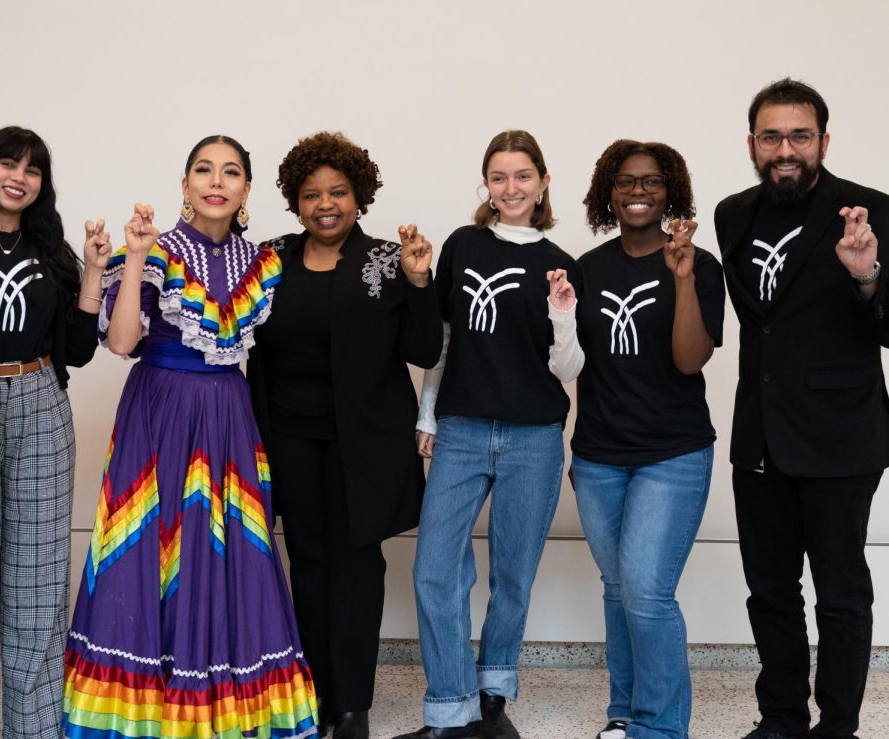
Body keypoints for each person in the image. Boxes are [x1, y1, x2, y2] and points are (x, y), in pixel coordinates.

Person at [62, 135, 318, 739]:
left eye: (231, 172)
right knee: (144, 545)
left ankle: (218, 705)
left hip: (229, 412)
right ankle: (142, 710)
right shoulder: (156, 251)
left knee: (228, 548)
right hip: (159, 411)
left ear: (247, 191)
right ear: (184, 184)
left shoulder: (263, 261)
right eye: (203, 169)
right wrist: (131, 257)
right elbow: (123, 344)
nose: (216, 181)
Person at [716, 78, 889, 739]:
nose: (785, 149)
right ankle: (780, 717)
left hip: (842, 436)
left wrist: (867, 275)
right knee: (769, 590)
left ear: (823, 141)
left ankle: (838, 725)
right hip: (761, 436)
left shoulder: (870, 210)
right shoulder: (731, 214)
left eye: (800, 135)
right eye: (771, 136)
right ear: (751, 144)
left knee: (840, 592)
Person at [248, 131, 443, 739]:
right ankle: (315, 696)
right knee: (306, 564)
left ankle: (353, 704)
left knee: (357, 567)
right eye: (310, 194)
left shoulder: (390, 260)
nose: (324, 204)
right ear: (294, 201)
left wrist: (419, 283)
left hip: (367, 445)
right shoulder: (271, 257)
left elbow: (423, 348)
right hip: (289, 438)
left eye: (337, 192)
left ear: (359, 197)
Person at [397, 130, 583, 739]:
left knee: (513, 572)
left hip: (535, 435)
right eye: (499, 177)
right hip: (463, 427)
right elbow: (444, 340)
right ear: (487, 185)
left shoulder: (561, 263)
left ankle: (494, 690)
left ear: (544, 182)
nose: (511, 188)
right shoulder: (463, 246)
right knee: (435, 567)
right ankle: (452, 706)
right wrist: (428, 414)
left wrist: (561, 312)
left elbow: (569, 368)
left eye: (523, 176)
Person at [0, 126, 106, 739]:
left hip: (40, 402)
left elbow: (80, 353)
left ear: (42, 185)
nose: (19, 177)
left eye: (33, 170)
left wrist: (90, 272)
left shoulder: (51, 253)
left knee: (38, 576)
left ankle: (34, 728)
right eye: (9, 163)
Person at [573, 140, 725, 739]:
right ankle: (626, 712)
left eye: (652, 183)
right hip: (598, 456)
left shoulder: (699, 264)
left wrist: (682, 279)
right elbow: (568, 358)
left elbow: (691, 361)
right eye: (626, 182)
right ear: (608, 192)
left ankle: (661, 729)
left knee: (646, 592)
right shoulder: (587, 268)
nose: (639, 193)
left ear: (672, 192)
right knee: (618, 591)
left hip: (674, 453)